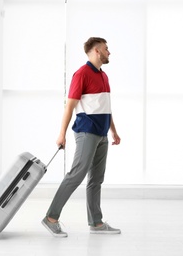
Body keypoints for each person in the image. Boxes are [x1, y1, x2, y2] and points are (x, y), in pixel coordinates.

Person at [41, 37, 121, 237]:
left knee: (96, 179)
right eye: (106, 48)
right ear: (96, 51)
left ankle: (96, 222)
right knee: (76, 174)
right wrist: (62, 134)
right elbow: (70, 106)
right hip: (86, 132)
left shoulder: (104, 76)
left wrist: (113, 131)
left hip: (102, 134)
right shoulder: (81, 74)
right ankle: (51, 218)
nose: (109, 52)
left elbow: (106, 108)